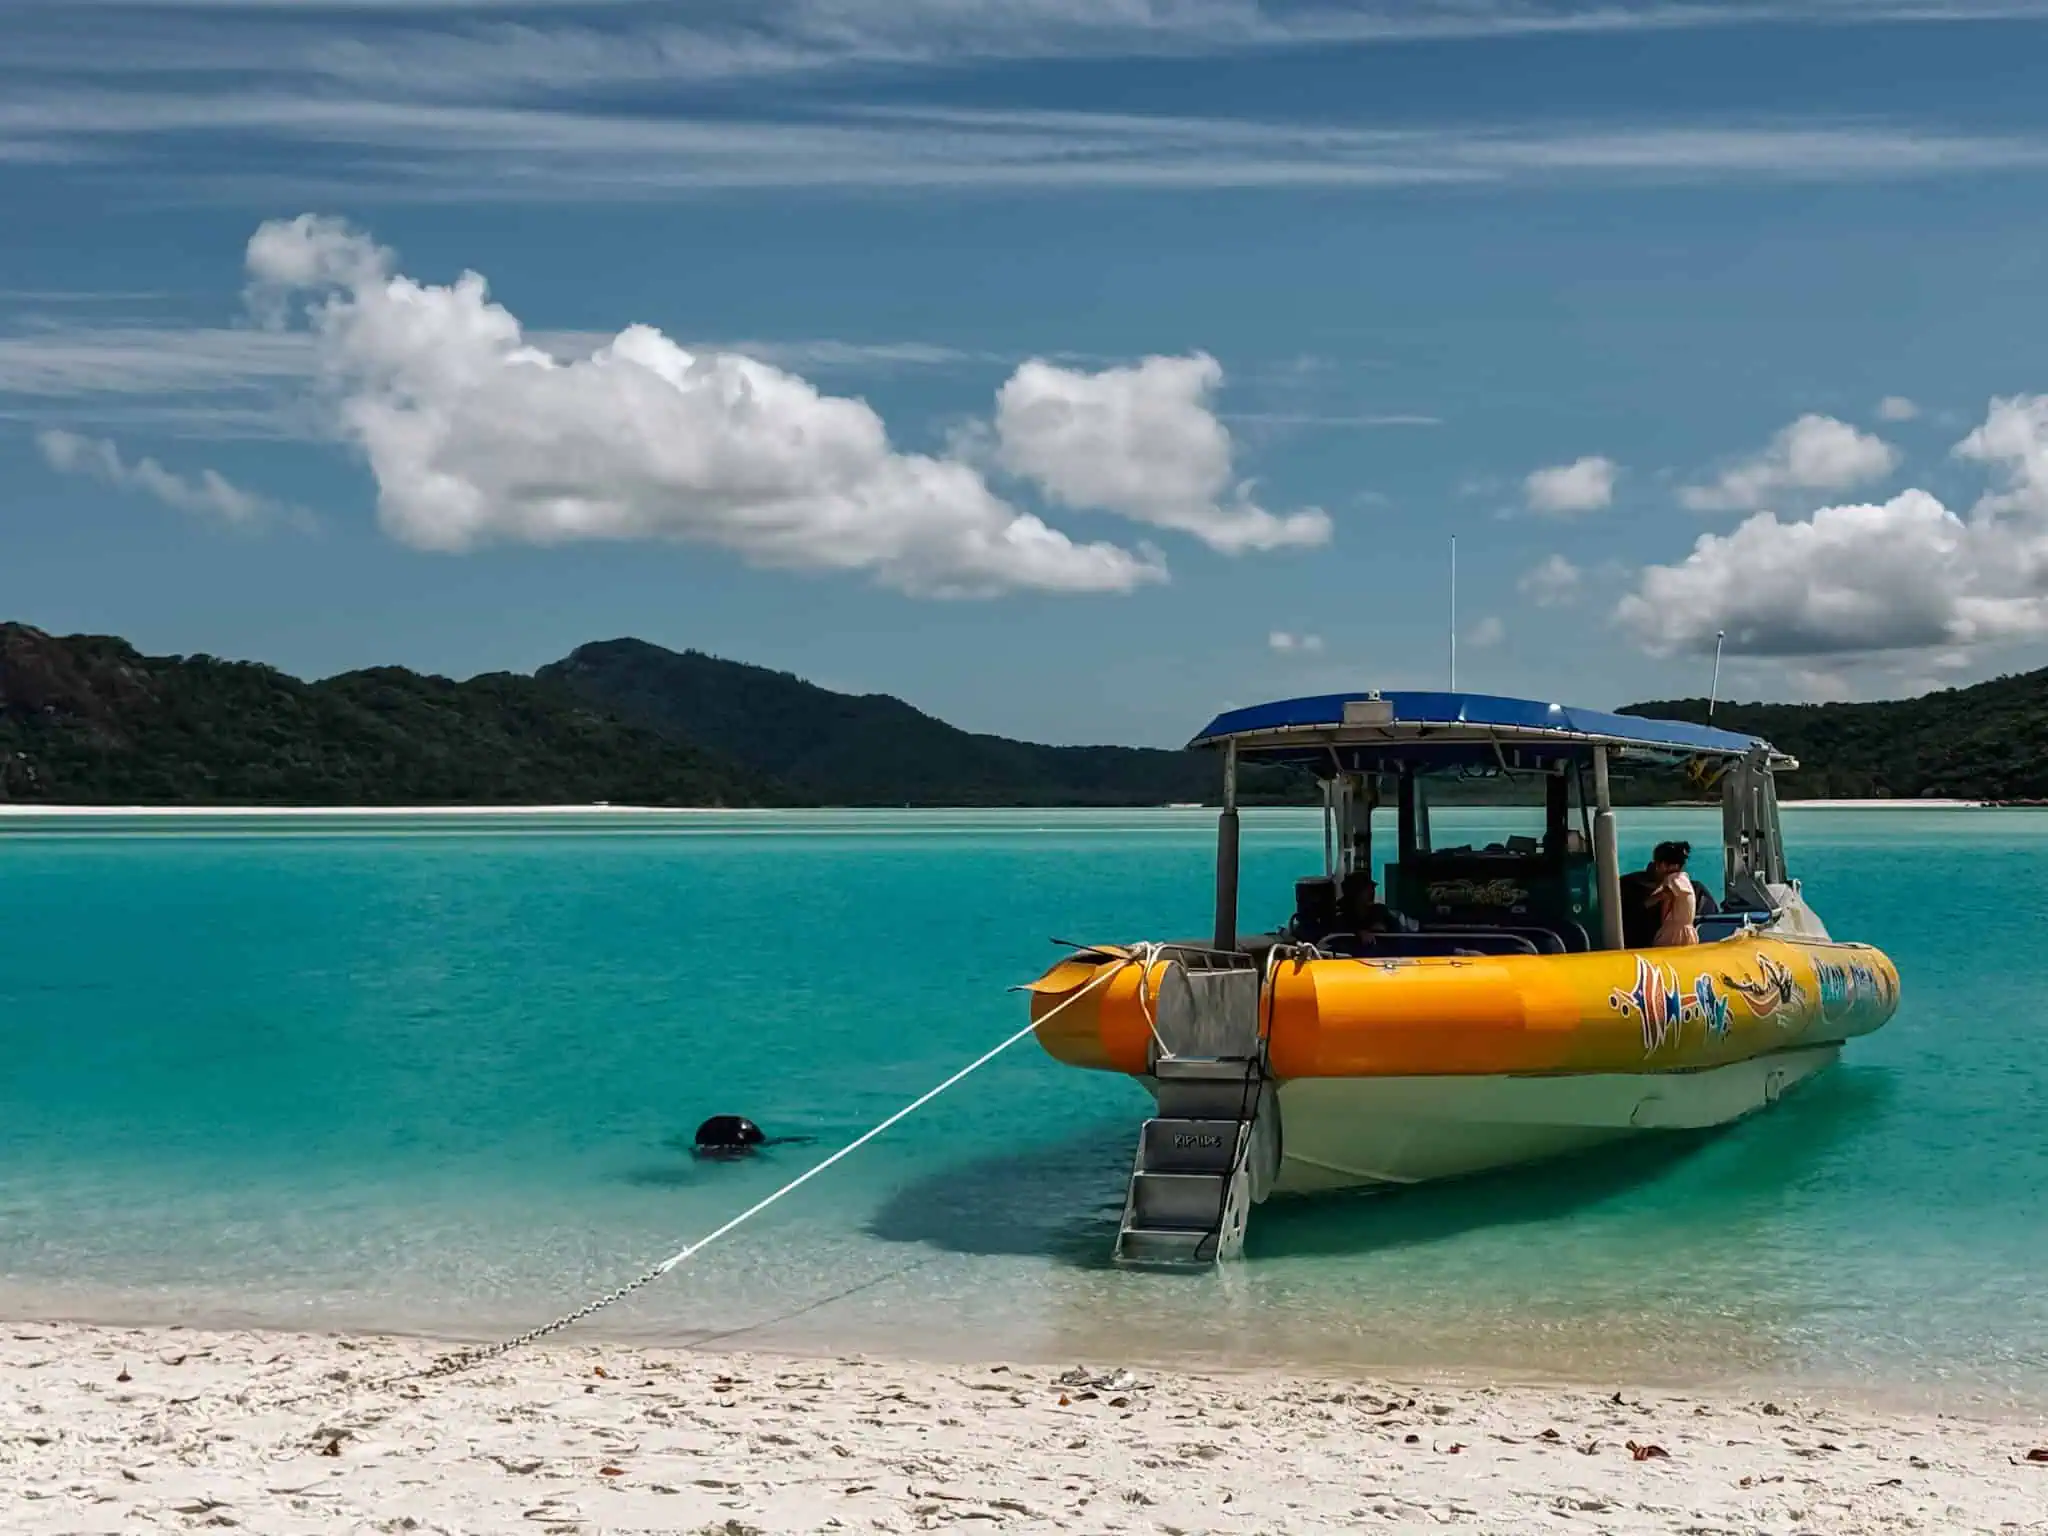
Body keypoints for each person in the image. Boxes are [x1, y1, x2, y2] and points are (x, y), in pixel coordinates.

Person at [1619, 840, 1708, 947]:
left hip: (1673, 932)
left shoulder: (1673, 881)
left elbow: (1664, 899)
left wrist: (1645, 904)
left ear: (1661, 864)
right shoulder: (1686, 881)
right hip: (1686, 932)